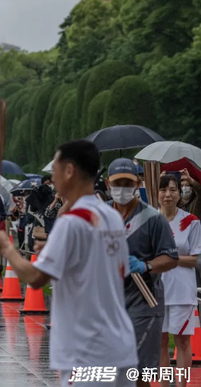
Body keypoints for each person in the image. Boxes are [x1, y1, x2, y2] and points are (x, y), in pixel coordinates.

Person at [0, 140, 138, 387]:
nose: (52, 178)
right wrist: (58, 251)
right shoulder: (111, 216)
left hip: (88, 351)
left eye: (54, 170)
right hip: (120, 346)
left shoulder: (72, 223)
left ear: (69, 171)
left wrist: (6, 248)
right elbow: (96, 262)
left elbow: (36, 277)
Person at [107, 158, 178, 387]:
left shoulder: (153, 219)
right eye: (118, 184)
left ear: (138, 183)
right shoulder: (101, 217)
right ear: (108, 185)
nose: (122, 189)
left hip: (144, 301)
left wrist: (145, 265)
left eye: (128, 183)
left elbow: (170, 258)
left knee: (137, 371)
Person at [157, 174, 201, 383]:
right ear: (156, 194)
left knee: (182, 341)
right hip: (155, 292)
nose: (168, 195)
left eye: (173, 190)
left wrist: (170, 258)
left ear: (179, 194)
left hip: (182, 291)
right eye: (163, 190)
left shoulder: (191, 222)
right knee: (160, 342)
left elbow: (195, 261)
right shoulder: (149, 221)